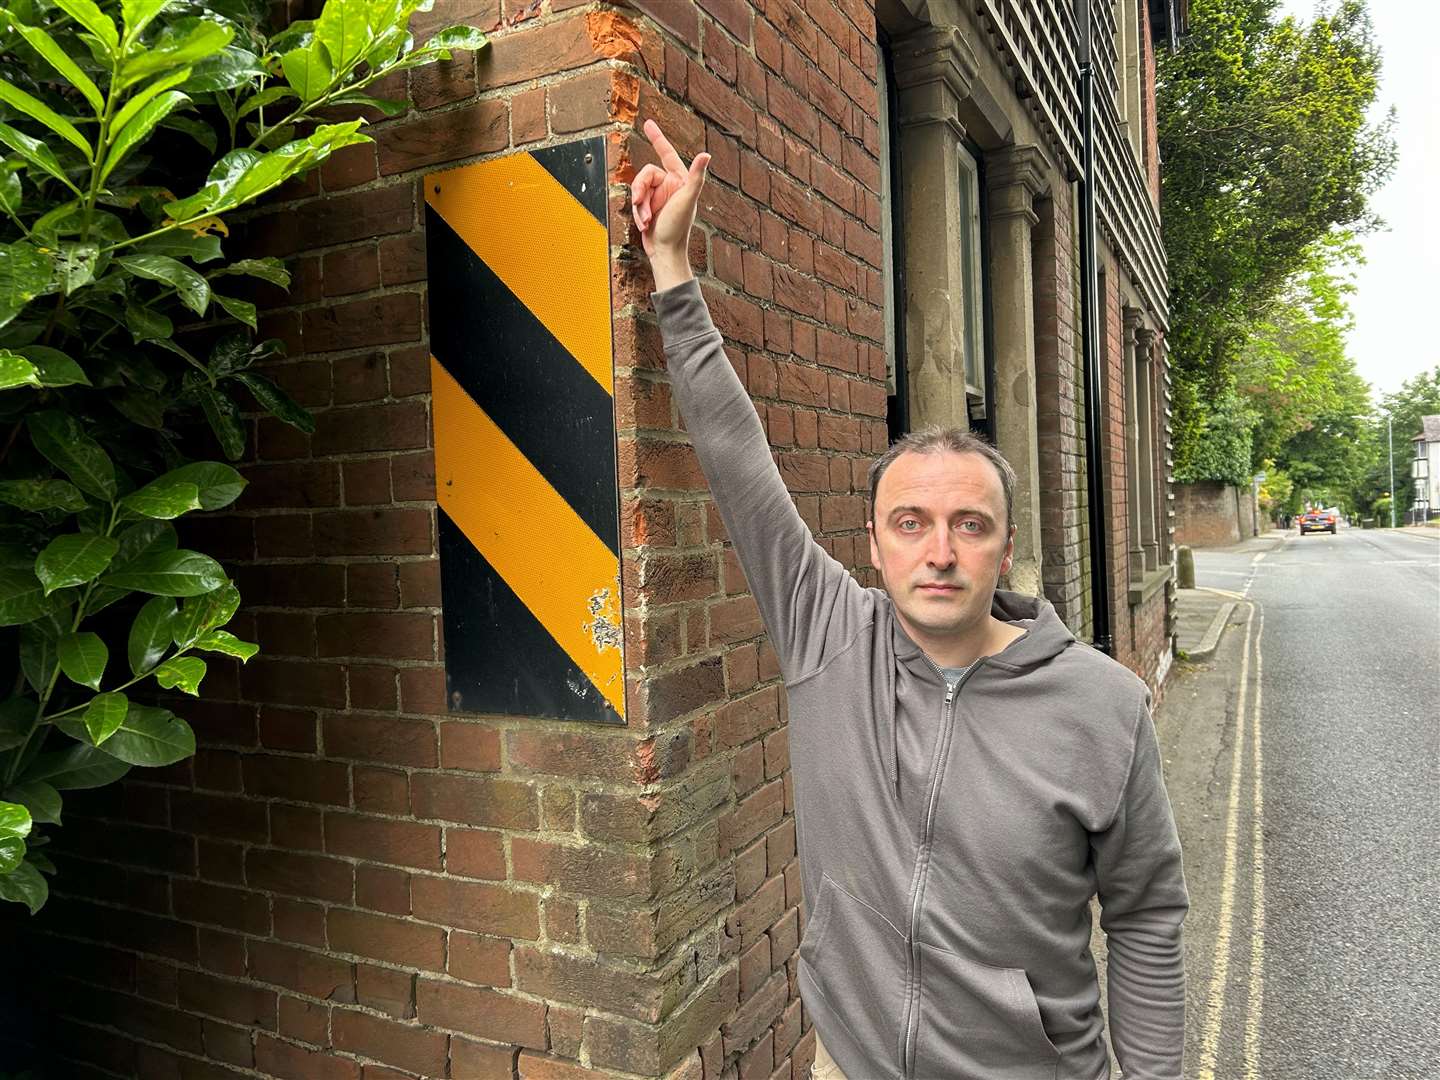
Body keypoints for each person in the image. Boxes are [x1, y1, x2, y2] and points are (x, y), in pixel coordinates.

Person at [630, 119, 1188, 1080]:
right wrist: (672, 266)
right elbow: (738, 459)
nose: (939, 552)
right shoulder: (827, 636)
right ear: (874, 547)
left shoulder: (1103, 707)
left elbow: (1144, 915)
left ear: (1006, 548)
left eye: (969, 525)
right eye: (910, 524)